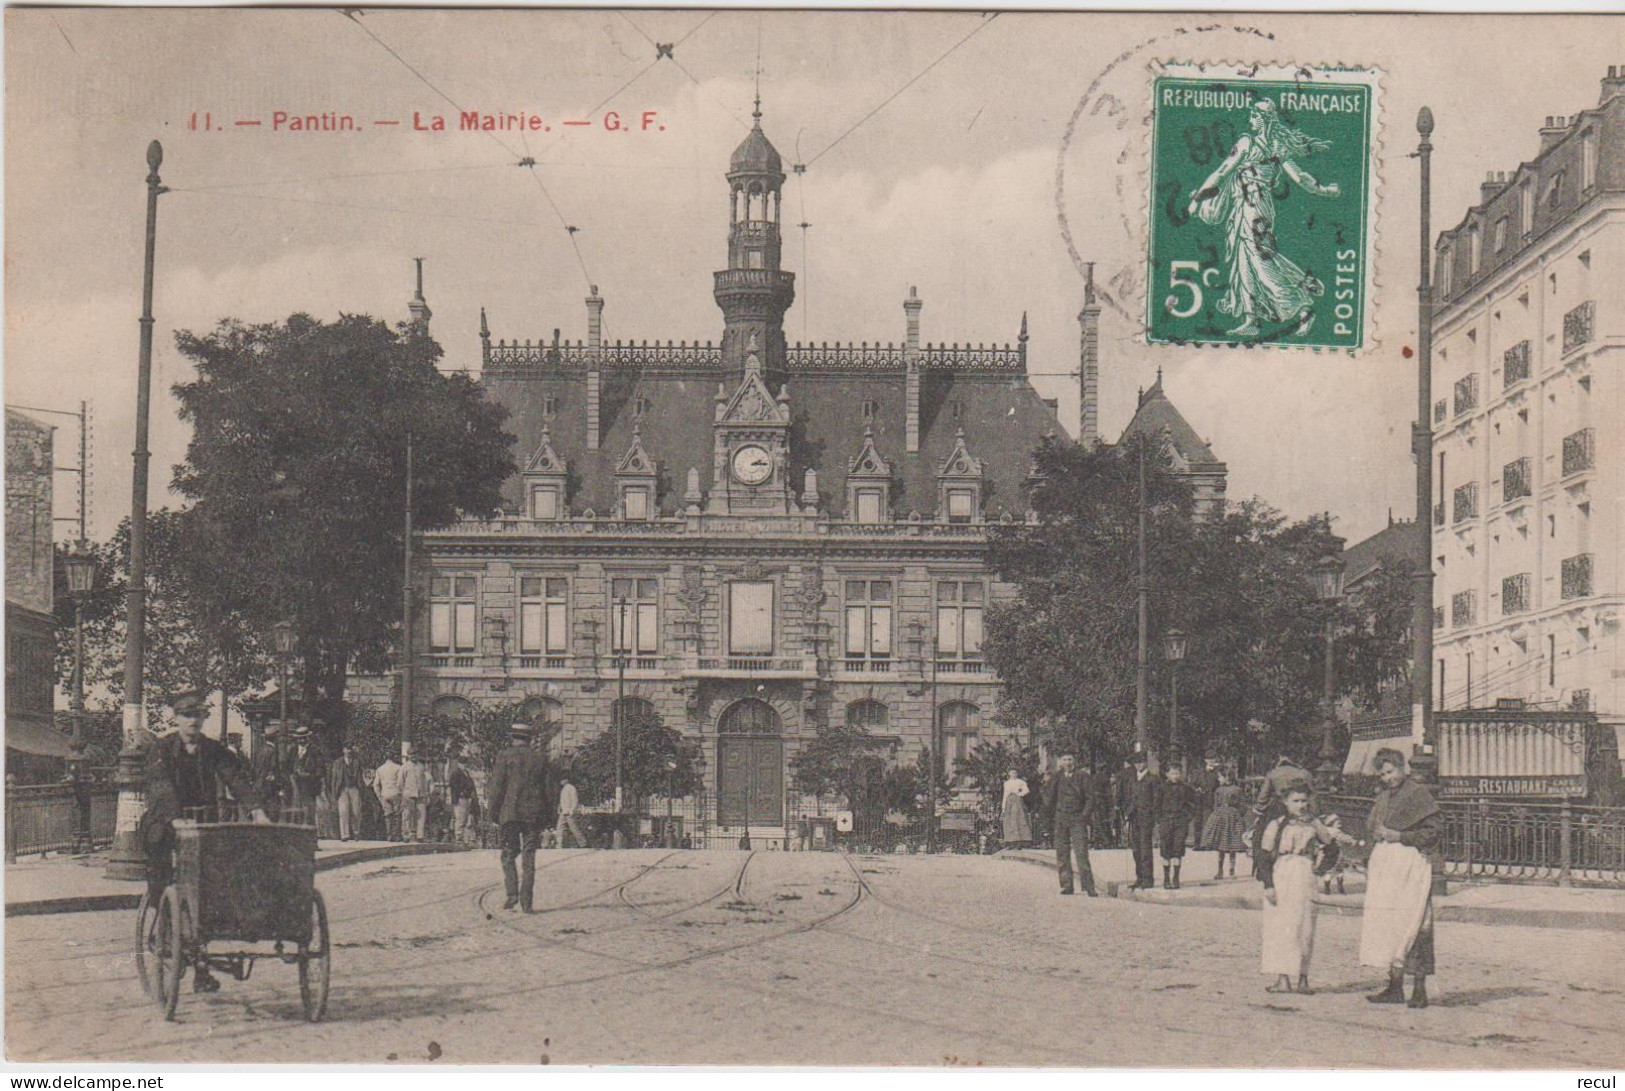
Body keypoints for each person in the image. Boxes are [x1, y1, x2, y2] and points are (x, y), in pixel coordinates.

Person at [139, 690, 269, 993]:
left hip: (202, 823)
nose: (192, 721)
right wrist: (173, 818)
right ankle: (162, 920)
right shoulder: (162, 749)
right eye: (186, 715)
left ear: (203, 719)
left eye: (197, 715)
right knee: (160, 865)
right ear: (176, 717)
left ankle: (201, 967)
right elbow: (160, 786)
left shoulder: (213, 750)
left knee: (209, 887)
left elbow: (235, 778)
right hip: (167, 823)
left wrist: (256, 809)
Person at [1186, 98, 1342, 337]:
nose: (1251, 118)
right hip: (1255, 207)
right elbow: (1301, 179)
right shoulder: (1277, 145)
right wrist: (1324, 190)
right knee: (1244, 261)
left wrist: (1197, 198)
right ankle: (1252, 319)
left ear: (1264, 119)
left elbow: (1222, 172)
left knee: (1260, 261)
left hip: (1252, 208)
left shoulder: (1247, 143)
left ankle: (1300, 306)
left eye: (1254, 115)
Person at [1359, 748, 1442, 1009]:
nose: (1387, 777)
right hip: (1387, 868)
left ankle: (1419, 988)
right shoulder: (1383, 798)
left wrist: (1401, 836)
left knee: (1415, 921)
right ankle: (1394, 986)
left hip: (1411, 865)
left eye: (1391, 771)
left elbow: (1433, 833)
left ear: (1402, 768)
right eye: (1382, 773)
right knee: (1388, 922)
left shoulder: (1418, 794)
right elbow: (1373, 830)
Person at [1259, 786, 1359, 995]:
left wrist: (1319, 869)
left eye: (1304, 801)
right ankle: (1283, 978)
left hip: (1304, 874)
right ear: (1285, 802)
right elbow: (1263, 856)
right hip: (1282, 872)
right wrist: (1268, 884)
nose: (1301, 805)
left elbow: (1332, 848)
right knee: (1280, 925)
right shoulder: (1277, 825)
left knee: (1305, 925)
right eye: (1296, 801)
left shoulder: (1315, 824)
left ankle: (1303, 978)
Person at [487, 722, 555, 911]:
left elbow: (497, 788)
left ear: (513, 737)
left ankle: (512, 895)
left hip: (509, 814)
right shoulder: (540, 759)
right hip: (533, 816)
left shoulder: (505, 756)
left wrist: (494, 813)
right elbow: (549, 791)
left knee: (508, 854)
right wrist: (549, 817)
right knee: (529, 856)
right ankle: (527, 901)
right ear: (530, 738)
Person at [1043, 754, 1097, 897]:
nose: (1067, 763)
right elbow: (1049, 797)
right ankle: (1067, 885)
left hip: (1077, 818)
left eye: (1070, 760)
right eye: (1065, 760)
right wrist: (1052, 814)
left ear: (1074, 761)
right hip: (1061, 818)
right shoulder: (1057, 777)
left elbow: (1090, 798)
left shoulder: (1082, 777)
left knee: (1081, 853)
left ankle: (1089, 886)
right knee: (1062, 853)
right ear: (1060, 762)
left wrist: (1084, 816)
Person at [1252, 754, 1314, 861]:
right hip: (1302, 809)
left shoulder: (1273, 773)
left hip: (1278, 809)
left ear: (1281, 758)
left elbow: (1262, 799)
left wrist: (1259, 810)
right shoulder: (1305, 773)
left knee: (1261, 837)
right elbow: (1312, 796)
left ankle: (1265, 862)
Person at [1203, 770, 1251, 879]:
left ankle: (1228, 870)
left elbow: (1242, 805)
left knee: (1229, 845)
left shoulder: (1235, 790)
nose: (1218, 779)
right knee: (1225, 845)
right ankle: (1226, 870)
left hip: (1229, 818)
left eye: (1220, 777)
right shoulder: (1220, 790)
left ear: (1227, 777)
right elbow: (1216, 804)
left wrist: (1235, 814)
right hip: (1224, 818)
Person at [1158, 764, 1196, 890]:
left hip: (1180, 821)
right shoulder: (1162, 787)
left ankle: (1176, 878)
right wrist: (1160, 819)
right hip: (1166, 821)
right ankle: (1166, 878)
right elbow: (1156, 804)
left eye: (1177, 773)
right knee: (1166, 850)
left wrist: (1187, 817)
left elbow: (1193, 804)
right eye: (1173, 773)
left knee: (1178, 849)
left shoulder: (1185, 788)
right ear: (1167, 774)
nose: (1175, 776)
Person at [1125, 751, 1159, 890]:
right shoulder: (1133, 779)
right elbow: (1131, 798)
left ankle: (1148, 879)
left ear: (1145, 763)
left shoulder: (1152, 779)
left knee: (1145, 849)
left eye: (1141, 762)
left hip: (1146, 817)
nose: (1139, 765)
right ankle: (1139, 877)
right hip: (1135, 817)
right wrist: (1128, 814)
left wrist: (1154, 817)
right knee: (1136, 849)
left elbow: (1156, 800)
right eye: (1136, 763)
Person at [285, 724, 327, 827]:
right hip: (295, 784)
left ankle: (309, 829)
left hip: (310, 784)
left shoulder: (315, 751)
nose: (302, 741)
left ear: (308, 738)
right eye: (299, 739)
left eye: (303, 738)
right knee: (296, 808)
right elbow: (287, 767)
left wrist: (310, 776)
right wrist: (292, 776)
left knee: (309, 808)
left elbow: (320, 768)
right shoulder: (293, 750)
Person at [327, 745, 367, 842]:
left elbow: (361, 777)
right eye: (346, 749)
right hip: (342, 789)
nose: (348, 751)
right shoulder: (337, 763)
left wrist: (362, 790)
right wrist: (334, 792)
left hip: (354, 788)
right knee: (343, 811)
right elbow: (334, 779)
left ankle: (356, 832)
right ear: (343, 750)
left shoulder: (357, 761)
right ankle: (345, 834)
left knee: (356, 811)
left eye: (350, 749)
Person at [373, 748, 405, 842]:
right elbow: (400, 782)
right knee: (397, 815)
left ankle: (389, 835)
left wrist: (379, 796)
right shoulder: (398, 767)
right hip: (396, 793)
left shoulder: (380, 769)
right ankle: (397, 835)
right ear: (394, 757)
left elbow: (376, 784)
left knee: (388, 815)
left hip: (385, 793)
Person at [400, 747, 431, 843]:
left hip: (421, 794)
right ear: (408, 756)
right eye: (411, 754)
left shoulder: (421, 767)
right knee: (407, 815)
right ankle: (406, 835)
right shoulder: (404, 767)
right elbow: (400, 782)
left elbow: (426, 780)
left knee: (421, 815)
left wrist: (426, 794)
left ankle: (420, 835)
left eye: (415, 754)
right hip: (409, 795)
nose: (413, 756)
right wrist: (403, 795)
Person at [447, 755, 479, 846]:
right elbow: (454, 786)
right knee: (460, 819)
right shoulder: (456, 773)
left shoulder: (467, 773)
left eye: (465, 763)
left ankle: (466, 839)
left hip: (467, 798)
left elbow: (471, 785)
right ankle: (459, 838)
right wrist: (461, 792)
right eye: (462, 763)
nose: (464, 765)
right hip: (460, 798)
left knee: (467, 819)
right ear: (459, 764)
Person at [1000, 768, 1033, 849]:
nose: (1013, 774)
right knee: (1009, 821)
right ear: (1009, 774)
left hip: (1016, 801)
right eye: (1012, 773)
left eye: (1015, 773)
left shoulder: (1020, 782)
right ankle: (1010, 842)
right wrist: (1003, 807)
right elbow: (1005, 794)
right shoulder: (1006, 783)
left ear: (1017, 774)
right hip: (1008, 801)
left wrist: (1019, 794)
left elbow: (1026, 790)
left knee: (1017, 819)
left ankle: (1019, 841)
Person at [1191, 759, 1220, 850]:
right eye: (1210, 761)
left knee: (1208, 821)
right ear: (1206, 761)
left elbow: (1218, 786)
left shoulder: (1216, 774)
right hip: (1199, 800)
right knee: (1198, 821)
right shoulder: (1198, 772)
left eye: (1213, 761)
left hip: (1210, 801)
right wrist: (1196, 789)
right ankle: (1197, 843)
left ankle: (1206, 843)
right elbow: (1192, 785)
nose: (1212, 763)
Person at [1087, 760, 1116, 848]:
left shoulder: (1093, 778)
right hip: (1102, 803)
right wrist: (1111, 804)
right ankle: (1105, 841)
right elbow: (1108, 793)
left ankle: (1097, 840)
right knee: (1103, 821)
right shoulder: (1104, 778)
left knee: (1097, 821)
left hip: (1095, 802)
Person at [556, 772, 586, 849]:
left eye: (562, 780)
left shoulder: (571, 788)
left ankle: (583, 843)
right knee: (559, 827)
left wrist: (573, 809)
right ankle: (559, 844)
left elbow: (575, 800)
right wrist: (560, 807)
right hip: (564, 812)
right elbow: (562, 800)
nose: (561, 782)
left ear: (566, 780)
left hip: (569, 812)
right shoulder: (563, 789)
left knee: (574, 828)